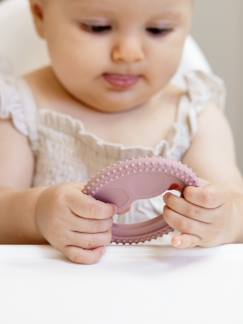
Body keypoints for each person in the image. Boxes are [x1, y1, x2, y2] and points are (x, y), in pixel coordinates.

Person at [0, 0, 243, 265]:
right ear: (40, 16)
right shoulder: (18, 109)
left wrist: (224, 218)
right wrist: (36, 213)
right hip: (52, 295)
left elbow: (236, 206)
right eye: (98, 27)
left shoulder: (195, 115)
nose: (128, 53)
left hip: (168, 296)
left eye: (158, 30)